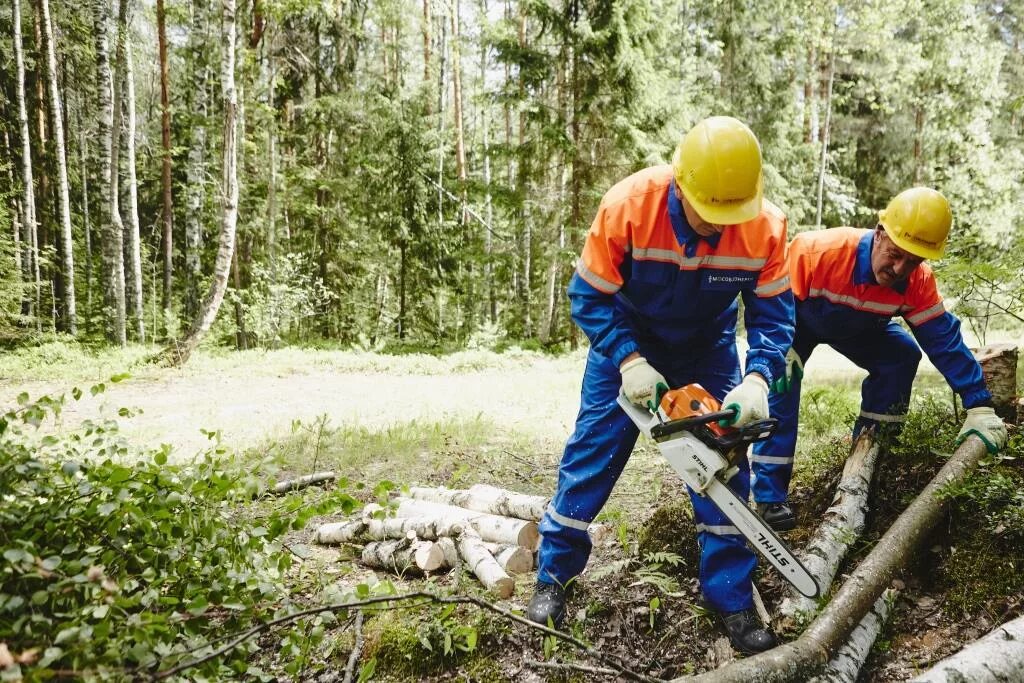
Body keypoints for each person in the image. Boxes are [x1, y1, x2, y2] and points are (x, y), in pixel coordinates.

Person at [526, 116, 795, 654]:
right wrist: (627, 359)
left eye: (729, 215)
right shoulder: (629, 205)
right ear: (680, 182)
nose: (718, 226)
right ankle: (552, 577)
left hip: (710, 344)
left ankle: (730, 595)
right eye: (708, 212)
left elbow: (774, 316)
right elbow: (588, 296)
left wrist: (759, 377)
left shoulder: (767, 227)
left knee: (723, 463)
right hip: (629, 341)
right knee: (592, 455)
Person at [749, 187, 1008, 532]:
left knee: (901, 355)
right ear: (880, 232)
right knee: (782, 379)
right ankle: (768, 497)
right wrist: (781, 350)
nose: (900, 268)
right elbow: (770, 305)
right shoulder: (817, 251)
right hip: (798, 323)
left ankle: (874, 455)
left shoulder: (917, 282)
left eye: (913, 261)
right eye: (895, 254)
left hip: (860, 329)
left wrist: (979, 404)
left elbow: (943, 340)